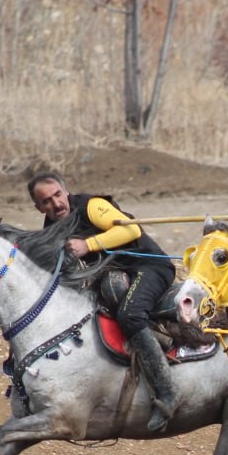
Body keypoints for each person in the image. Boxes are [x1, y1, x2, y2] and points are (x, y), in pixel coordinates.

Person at [26, 172, 178, 432]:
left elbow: (131, 229)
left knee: (130, 314)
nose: (56, 204)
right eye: (47, 202)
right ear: (38, 207)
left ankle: (167, 393)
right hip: (112, 278)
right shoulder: (50, 231)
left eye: (58, 195)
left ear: (66, 191)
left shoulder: (92, 206)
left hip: (148, 266)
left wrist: (88, 244)